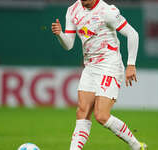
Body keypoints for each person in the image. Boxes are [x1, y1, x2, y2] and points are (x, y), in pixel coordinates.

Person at [51, 0, 147, 150]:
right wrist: (60, 34)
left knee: (101, 115)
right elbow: (69, 44)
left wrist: (131, 65)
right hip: (90, 67)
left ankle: (136, 145)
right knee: (82, 112)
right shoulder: (72, 10)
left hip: (110, 65)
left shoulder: (107, 11)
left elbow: (132, 34)